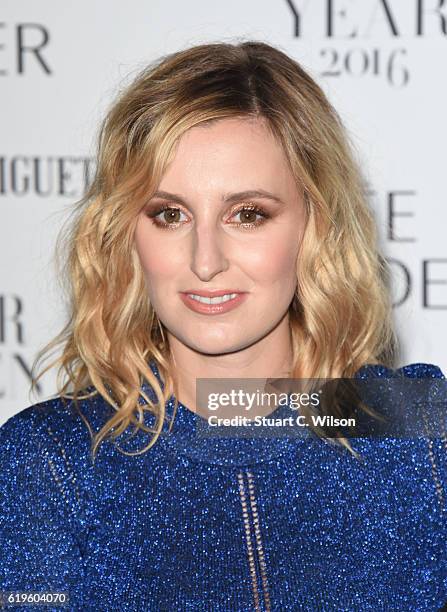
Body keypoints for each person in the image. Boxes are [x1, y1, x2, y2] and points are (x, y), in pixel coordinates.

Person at [0, 40, 446, 612]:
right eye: (169, 214)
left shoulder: (421, 434)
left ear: (316, 225)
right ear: (126, 235)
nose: (204, 260)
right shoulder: (46, 466)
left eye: (248, 214)